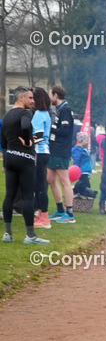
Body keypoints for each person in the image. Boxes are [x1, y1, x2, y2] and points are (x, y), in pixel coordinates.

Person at [2, 87, 49, 245]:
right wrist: (29, 140)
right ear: (20, 98)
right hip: (25, 158)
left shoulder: (6, 116)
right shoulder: (25, 113)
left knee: (9, 195)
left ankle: (7, 234)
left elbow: (3, 141)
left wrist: (9, 151)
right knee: (28, 196)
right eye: (30, 98)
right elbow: (25, 125)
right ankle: (30, 235)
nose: (33, 101)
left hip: (9, 157)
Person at [47, 86, 77, 223]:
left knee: (64, 181)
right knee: (50, 179)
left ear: (56, 95)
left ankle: (70, 213)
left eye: (50, 95)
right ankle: (60, 210)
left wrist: (50, 129)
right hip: (54, 150)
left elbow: (65, 132)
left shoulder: (65, 110)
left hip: (61, 150)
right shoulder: (59, 110)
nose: (49, 98)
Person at [30, 88, 54, 229]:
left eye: (33, 98)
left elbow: (38, 137)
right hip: (43, 152)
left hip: (40, 152)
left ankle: (44, 217)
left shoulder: (39, 114)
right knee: (39, 186)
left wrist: (26, 141)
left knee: (40, 186)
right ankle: (40, 214)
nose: (32, 101)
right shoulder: (45, 114)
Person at [71, 132, 97, 198]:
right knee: (85, 185)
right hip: (82, 171)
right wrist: (76, 169)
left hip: (87, 170)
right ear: (81, 140)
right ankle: (74, 190)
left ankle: (76, 192)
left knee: (84, 184)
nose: (88, 142)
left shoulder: (85, 149)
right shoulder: (77, 150)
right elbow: (76, 160)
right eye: (87, 140)